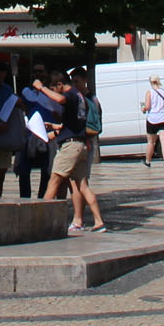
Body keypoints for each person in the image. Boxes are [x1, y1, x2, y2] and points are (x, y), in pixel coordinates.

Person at [43, 68, 107, 234]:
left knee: (54, 181)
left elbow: (61, 99)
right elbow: (76, 123)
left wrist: (40, 88)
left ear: (59, 84)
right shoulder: (81, 97)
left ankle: (40, 220)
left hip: (71, 146)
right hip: (82, 144)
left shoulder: (71, 94)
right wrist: (57, 128)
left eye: (53, 87)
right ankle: (99, 222)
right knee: (83, 186)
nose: (52, 91)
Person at [15, 66, 58, 198]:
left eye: (41, 71)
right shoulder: (26, 92)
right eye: (35, 71)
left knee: (47, 170)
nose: (38, 74)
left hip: (48, 135)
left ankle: (43, 197)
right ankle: (25, 197)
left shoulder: (51, 93)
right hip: (29, 134)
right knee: (24, 169)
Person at [141, 74, 164, 168]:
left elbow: (147, 107)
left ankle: (148, 161)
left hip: (152, 119)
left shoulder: (149, 92)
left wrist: (143, 109)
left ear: (150, 82)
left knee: (151, 142)